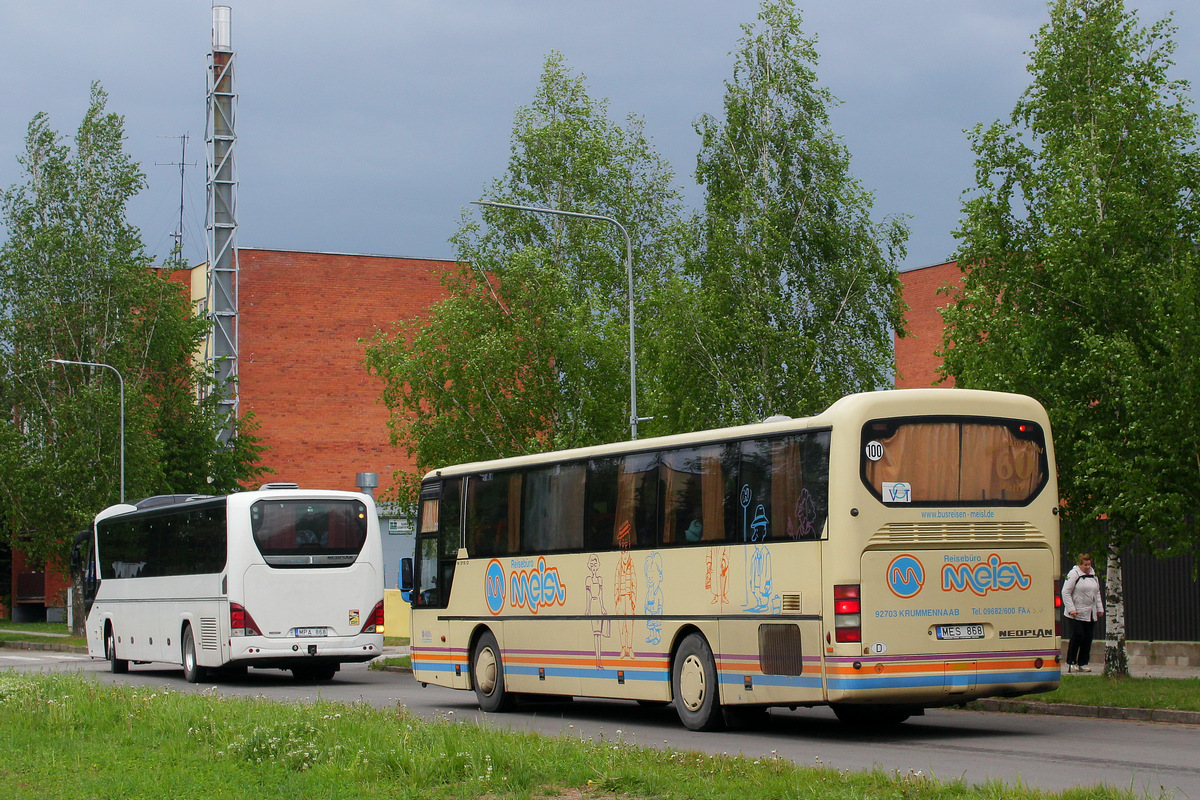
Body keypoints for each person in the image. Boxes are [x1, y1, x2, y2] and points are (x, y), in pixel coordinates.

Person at [1061, 552, 1104, 673]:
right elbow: (1065, 592)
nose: (1088, 567)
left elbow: (1097, 593)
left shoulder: (1093, 575)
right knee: (1078, 635)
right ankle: (1071, 662)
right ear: (1079, 565)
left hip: (1090, 612)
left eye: (1089, 564)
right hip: (1076, 613)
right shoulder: (1073, 574)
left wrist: (1099, 608)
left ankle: (1083, 663)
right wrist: (1071, 609)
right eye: (1085, 564)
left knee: (1088, 638)